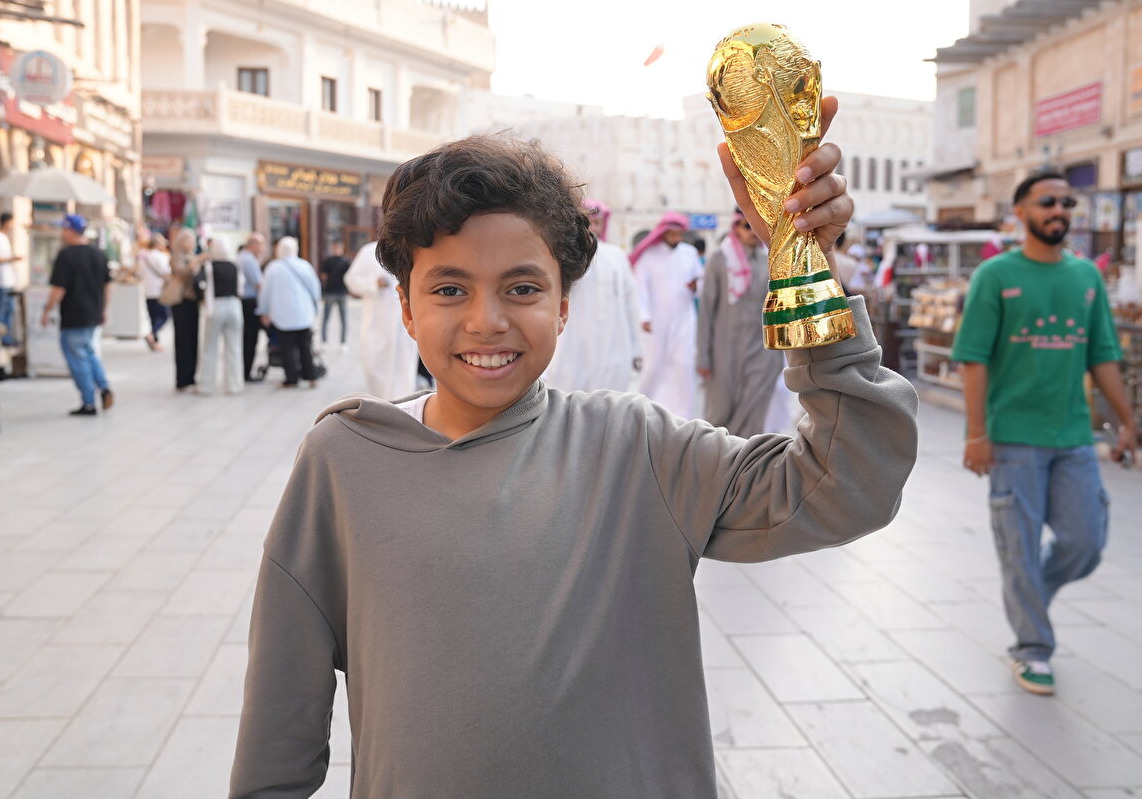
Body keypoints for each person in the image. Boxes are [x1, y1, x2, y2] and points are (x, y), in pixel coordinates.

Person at [229, 126, 919, 798]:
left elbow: (846, 482)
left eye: (522, 288)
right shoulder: (345, 462)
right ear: (405, 308)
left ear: (563, 307)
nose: (487, 320)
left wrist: (805, 266)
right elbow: (278, 729)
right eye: (449, 289)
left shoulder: (637, 448)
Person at [952, 170, 1135, 697]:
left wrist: (1127, 421)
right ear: (1021, 212)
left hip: (1073, 436)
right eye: (1048, 201)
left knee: (1086, 541)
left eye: (1067, 202)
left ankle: (1032, 589)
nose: (1060, 210)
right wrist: (976, 433)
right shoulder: (994, 275)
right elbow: (972, 360)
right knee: (1019, 549)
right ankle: (1032, 647)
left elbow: (1102, 355)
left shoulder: (1086, 278)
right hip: (1012, 440)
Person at [697, 211, 786, 437]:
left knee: (754, 410)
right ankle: (715, 465)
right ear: (736, 227)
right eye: (747, 226)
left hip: (762, 351)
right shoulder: (720, 259)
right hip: (724, 350)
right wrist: (703, 357)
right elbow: (706, 310)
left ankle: (744, 465)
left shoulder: (772, 259)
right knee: (719, 413)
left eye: (756, 226)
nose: (752, 232)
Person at [546, 198, 642, 392]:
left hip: (613, 346)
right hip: (572, 347)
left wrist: (637, 349)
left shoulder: (617, 257)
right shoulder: (564, 258)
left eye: (597, 222)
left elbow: (632, 305)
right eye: (588, 222)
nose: (593, 228)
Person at [630, 211, 701, 419]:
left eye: (680, 234)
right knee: (654, 365)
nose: (677, 239)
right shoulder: (649, 256)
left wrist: (696, 286)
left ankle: (682, 416)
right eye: (673, 234)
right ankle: (643, 410)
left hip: (684, 318)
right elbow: (639, 288)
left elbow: (700, 283)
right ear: (663, 233)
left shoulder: (689, 253)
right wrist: (643, 316)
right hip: (656, 320)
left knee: (683, 365)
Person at [41, 214, 113, 416]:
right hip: (93, 313)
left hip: (74, 314)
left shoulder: (66, 256)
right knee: (89, 352)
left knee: (77, 358)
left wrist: (47, 310)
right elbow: (107, 286)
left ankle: (88, 402)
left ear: (69, 231)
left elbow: (58, 288)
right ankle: (104, 386)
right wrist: (103, 309)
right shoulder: (99, 254)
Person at [344, 240, 418, 399]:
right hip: (377, 323)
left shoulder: (414, 247)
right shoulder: (369, 251)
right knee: (374, 366)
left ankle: (404, 409)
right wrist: (373, 283)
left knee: (404, 370)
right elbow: (351, 279)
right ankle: (383, 406)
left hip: (404, 325)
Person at [257, 236, 321, 388]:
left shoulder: (273, 267)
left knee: (287, 348)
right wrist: (316, 306)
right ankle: (311, 376)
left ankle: (291, 379)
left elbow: (265, 292)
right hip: (304, 314)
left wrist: (264, 311)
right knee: (305, 346)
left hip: (282, 315)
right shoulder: (305, 265)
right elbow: (315, 288)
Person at [198, 240, 245, 396]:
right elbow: (241, 287)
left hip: (216, 306)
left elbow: (200, 285)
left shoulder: (209, 266)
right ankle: (234, 384)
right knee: (234, 347)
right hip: (234, 306)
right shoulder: (234, 266)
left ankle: (206, 385)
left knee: (209, 348)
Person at [168, 228, 205, 392]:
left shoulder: (193, 258)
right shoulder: (177, 257)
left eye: (192, 241)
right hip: (181, 302)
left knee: (193, 339)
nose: (190, 244)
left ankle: (192, 375)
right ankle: (182, 378)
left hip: (193, 302)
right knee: (182, 340)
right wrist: (196, 262)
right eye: (187, 240)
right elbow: (181, 272)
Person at [237, 232, 266, 382]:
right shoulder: (248, 260)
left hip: (244, 302)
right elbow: (259, 284)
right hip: (249, 303)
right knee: (250, 338)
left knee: (246, 338)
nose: (262, 248)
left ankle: (244, 370)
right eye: (261, 245)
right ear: (253, 244)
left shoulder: (243, 257)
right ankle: (246, 372)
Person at [136, 233, 171, 350]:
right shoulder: (161, 257)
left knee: (152, 317)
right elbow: (167, 272)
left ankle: (154, 342)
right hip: (159, 290)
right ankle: (152, 334)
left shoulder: (143, 258)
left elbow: (139, 274)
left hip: (147, 291)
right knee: (164, 316)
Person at [0, 212, 21, 347]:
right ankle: (4, 338)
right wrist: (12, 259)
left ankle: (7, 337)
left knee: (9, 309)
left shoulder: (4, 237)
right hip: (1, 280)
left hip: (8, 280)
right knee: (3, 310)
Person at [318, 240, 351, 344]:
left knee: (344, 319)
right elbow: (323, 275)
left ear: (342, 248)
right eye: (335, 247)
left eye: (338, 247)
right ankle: (324, 340)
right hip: (330, 292)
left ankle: (343, 342)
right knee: (326, 318)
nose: (336, 249)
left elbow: (350, 277)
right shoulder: (328, 261)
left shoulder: (346, 261)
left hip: (342, 292)